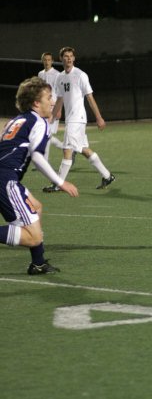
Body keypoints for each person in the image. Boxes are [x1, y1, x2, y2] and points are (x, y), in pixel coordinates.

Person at [0, 77, 78, 274]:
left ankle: (38, 263)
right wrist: (60, 181)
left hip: (6, 177)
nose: (53, 101)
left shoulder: (18, 119)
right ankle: (38, 262)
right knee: (33, 237)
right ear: (36, 103)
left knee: (36, 206)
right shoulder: (38, 121)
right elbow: (37, 156)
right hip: (5, 179)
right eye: (49, 97)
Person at [42, 46, 115, 192]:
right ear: (61, 59)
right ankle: (107, 175)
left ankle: (58, 184)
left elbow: (90, 97)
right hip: (71, 119)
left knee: (67, 150)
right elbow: (60, 100)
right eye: (66, 56)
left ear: (74, 58)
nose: (68, 58)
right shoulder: (60, 77)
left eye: (71, 56)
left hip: (77, 118)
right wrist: (50, 117)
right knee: (83, 149)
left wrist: (99, 118)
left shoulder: (81, 75)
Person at [37, 51, 65, 164]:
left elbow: (60, 93)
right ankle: (67, 148)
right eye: (45, 60)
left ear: (52, 61)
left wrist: (59, 109)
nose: (47, 62)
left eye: (49, 60)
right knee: (46, 134)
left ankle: (44, 161)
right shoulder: (40, 74)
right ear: (42, 61)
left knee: (47, 134)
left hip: (54, 107)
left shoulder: (57, 74)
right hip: (44, 107)